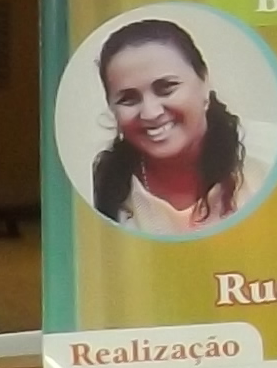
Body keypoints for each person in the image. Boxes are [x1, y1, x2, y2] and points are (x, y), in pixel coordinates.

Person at [87, 16, 243, 234]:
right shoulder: (111, 191)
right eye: (128, 99)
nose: (151, 113)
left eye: (166, 88)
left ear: (205, 81)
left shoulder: (264, 159)